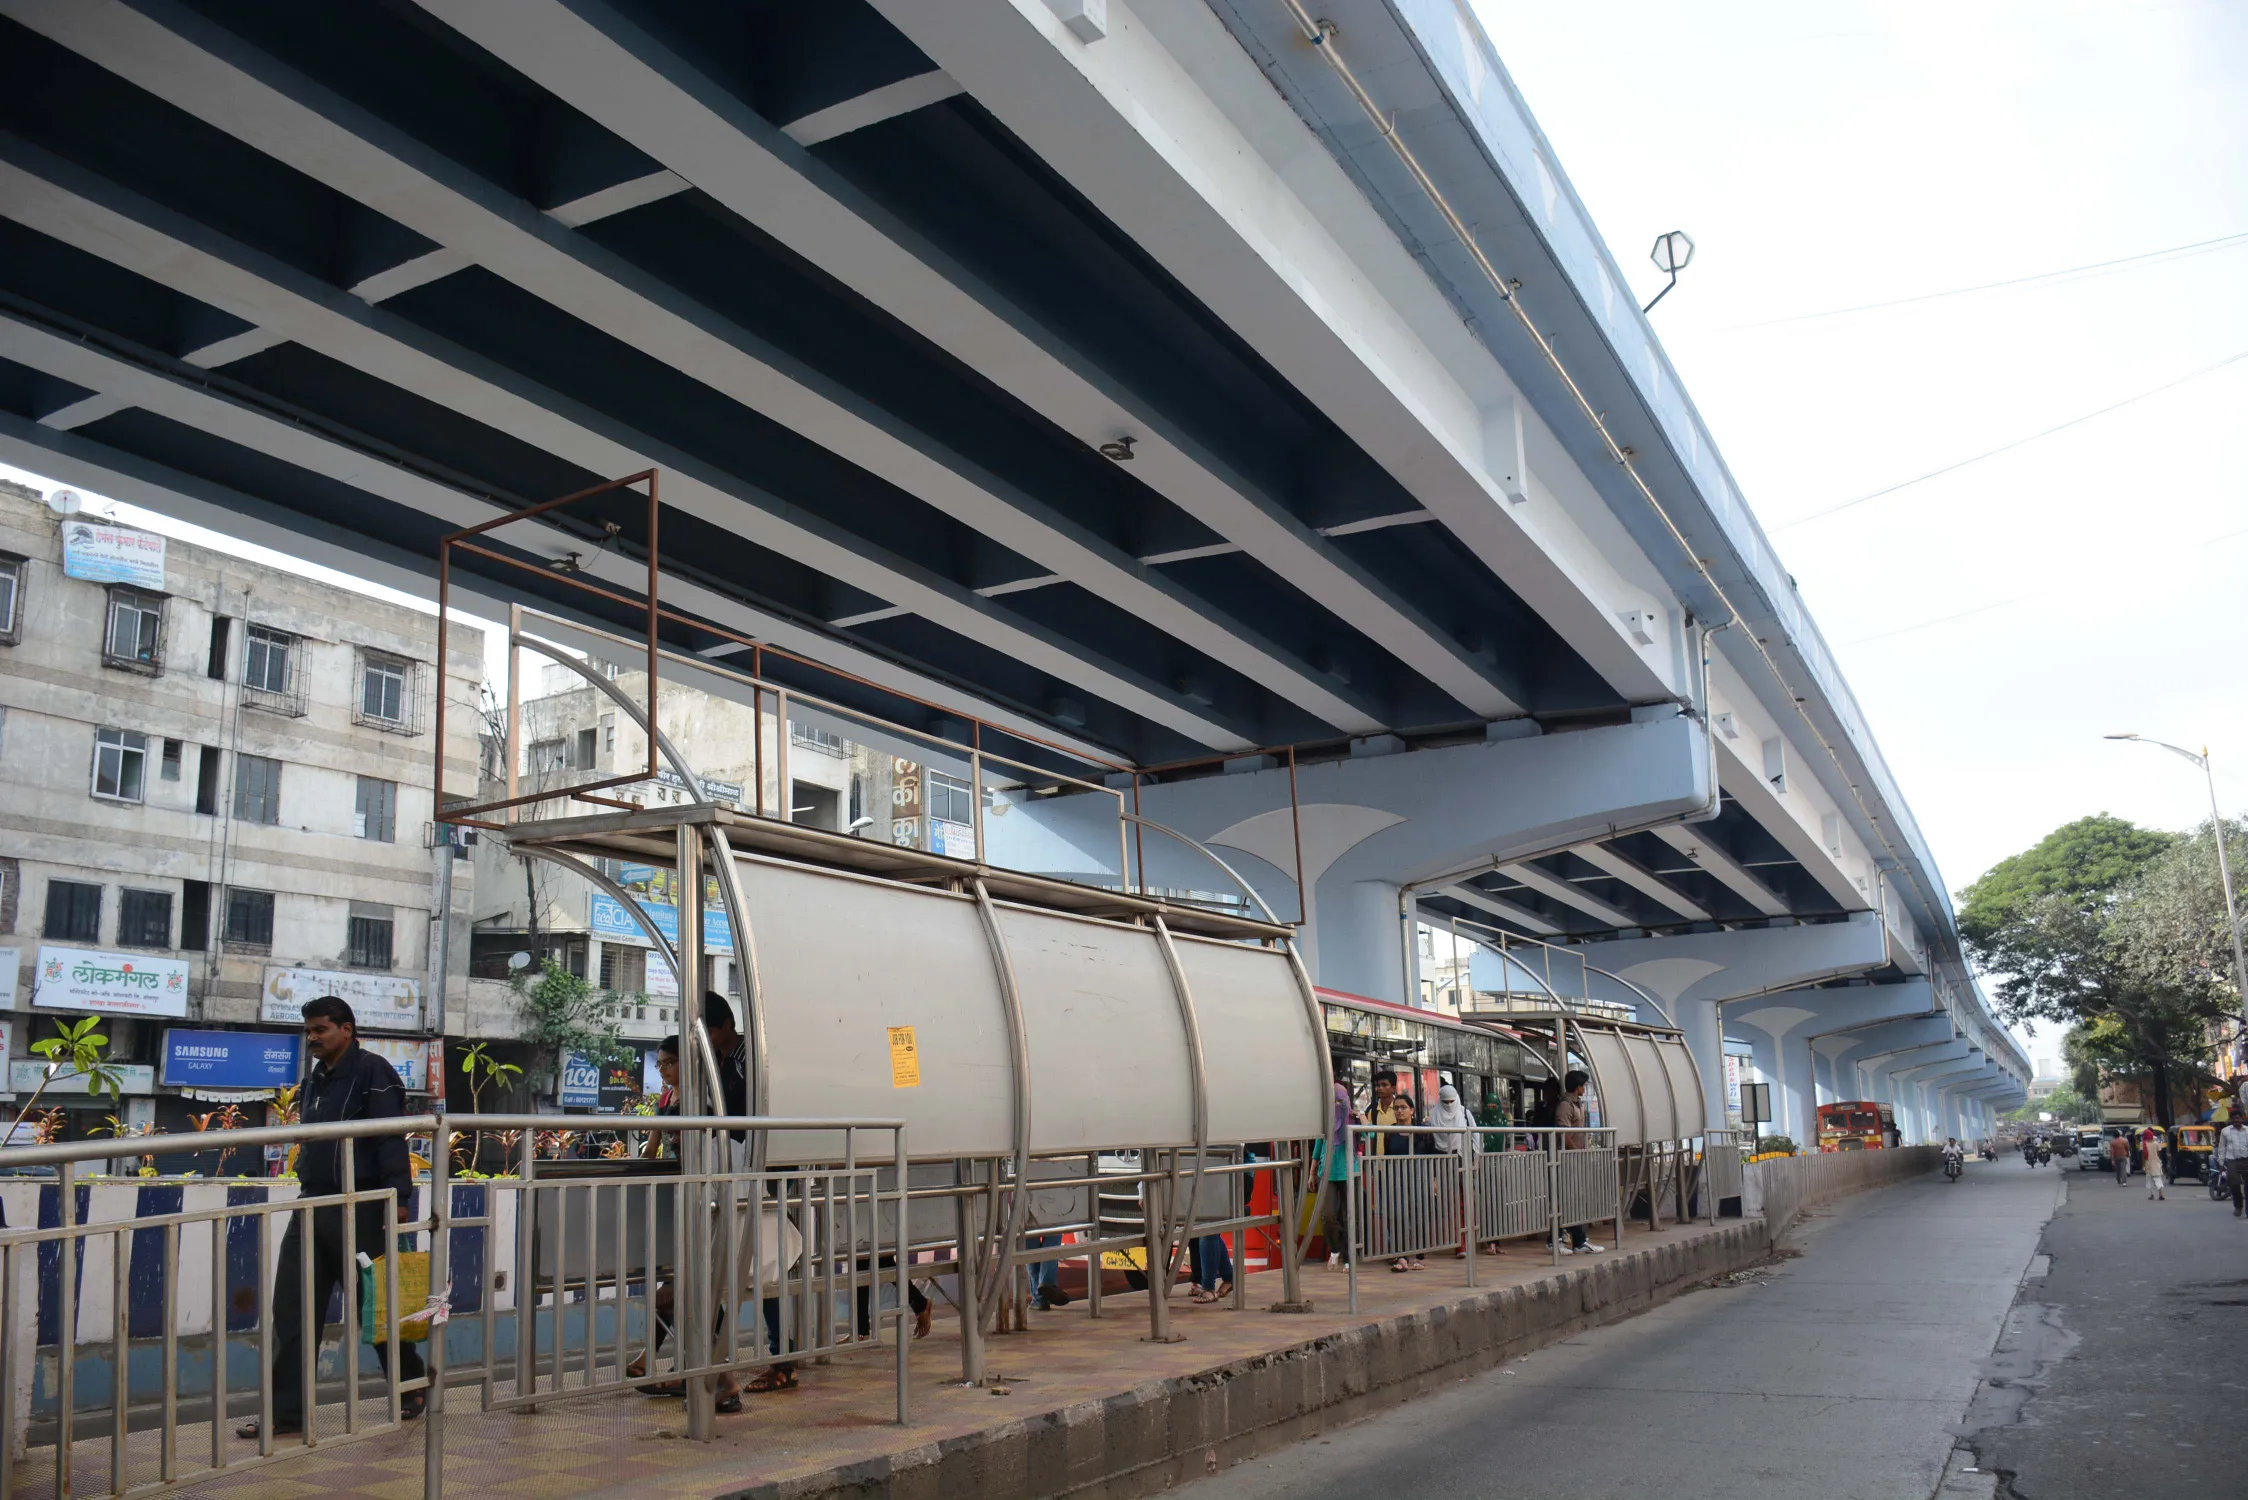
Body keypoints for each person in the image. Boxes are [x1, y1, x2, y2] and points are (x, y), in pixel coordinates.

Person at [240, 997, 422, 1439]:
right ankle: (288, 1414)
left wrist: (398, 1199)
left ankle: (411, 1386)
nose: (313, 1037)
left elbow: (390, 1136)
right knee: (293, 1309)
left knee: (375, 1306)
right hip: (314, 1203)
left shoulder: (373, 1071)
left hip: (361, 1205)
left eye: (320, 1029)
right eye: (309, 1030)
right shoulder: (315, 1079)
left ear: (346, 1029)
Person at [1554, 1071, 1606, 1255]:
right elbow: (1563, 1132)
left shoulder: (1577, 1105)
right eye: (1583, 1085)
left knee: (1575, 1199)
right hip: (1569, 1159)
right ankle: (1559, 1239)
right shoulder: (1566, 1106)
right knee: (1567, 1198)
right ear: (1577, 1087)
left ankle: (1579, 1240)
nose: (1584, 1088)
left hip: (1577, 1159)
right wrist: (1575, 1149)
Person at [1428, 1084, 1479, 1256]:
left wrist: (1476, 1159)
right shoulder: (1434, 1116)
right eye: (1445, 1102)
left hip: (1463, 1161)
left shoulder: (1465, 1113)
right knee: (1451, 1205)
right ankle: (1458, 1242)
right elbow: (1433, 1142)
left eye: (1452, 1101)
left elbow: (1476, 1137)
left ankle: (1464, 1244)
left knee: (1465, 1204)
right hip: (1442, 1162)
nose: (1449, 1105)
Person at [2217, 1113, 2248, 1217]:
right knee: (2234, 1184)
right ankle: (2238, 1206)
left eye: (2238, 1118)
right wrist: (2221, 1163)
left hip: (2246, 1161)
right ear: (2231, 1120)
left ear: (2242, 1119)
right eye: (2234, 1118)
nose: (2236, 1120)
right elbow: (2222, 1148)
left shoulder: (2247, 1131)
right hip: (2232, 1162)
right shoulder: (2225, 1131)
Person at [2141, 1125, 2167, 1200]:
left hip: (2148, 1164)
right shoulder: (2156, 1143)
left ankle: (2151, 1195)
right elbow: (2159, 1154)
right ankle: (2161, 1194)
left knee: (2150, 1180)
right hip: (2156, 1163)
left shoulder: (2144, 1144)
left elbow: (2143, 1156)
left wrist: (2143, 1165)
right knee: (2158, 1179)